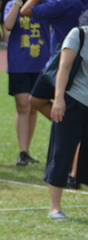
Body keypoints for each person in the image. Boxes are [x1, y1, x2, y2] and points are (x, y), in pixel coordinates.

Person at [45, 22, 88, 221]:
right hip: (72, 102)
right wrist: (59, 98)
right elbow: (64, 67)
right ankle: (55, 207)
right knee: (62, 152)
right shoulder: (78, 34)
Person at [20, 0, 88, 120]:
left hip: (62, 61)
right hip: (84, 58)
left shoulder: (61, 5)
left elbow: (25, 10)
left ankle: (70, 128)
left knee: (37, 99)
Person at [3, 0, 50, 166]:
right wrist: (17, 3)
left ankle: (26, 151)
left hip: (42, 62)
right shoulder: (12, 4)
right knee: (23, 105)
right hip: (19, 63)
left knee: (34, 106)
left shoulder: (46, 3)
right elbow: (8, 25)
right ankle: (22, 151)